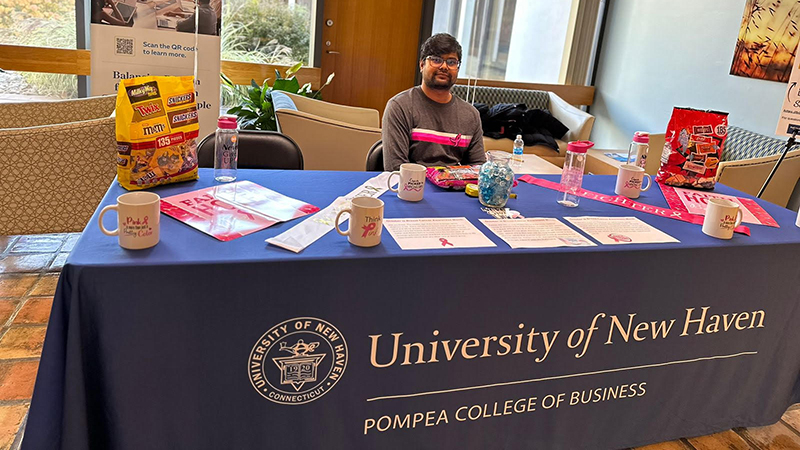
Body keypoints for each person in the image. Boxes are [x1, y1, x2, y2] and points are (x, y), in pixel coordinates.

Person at [382, 33, 485, 172]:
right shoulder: (400, 107)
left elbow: (478, 169)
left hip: (454, 191)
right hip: (413, 189)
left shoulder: (471, 115)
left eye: (451, 62)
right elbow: (395, 169)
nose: (444, 67)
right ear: (421, 65)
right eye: (436, 60)